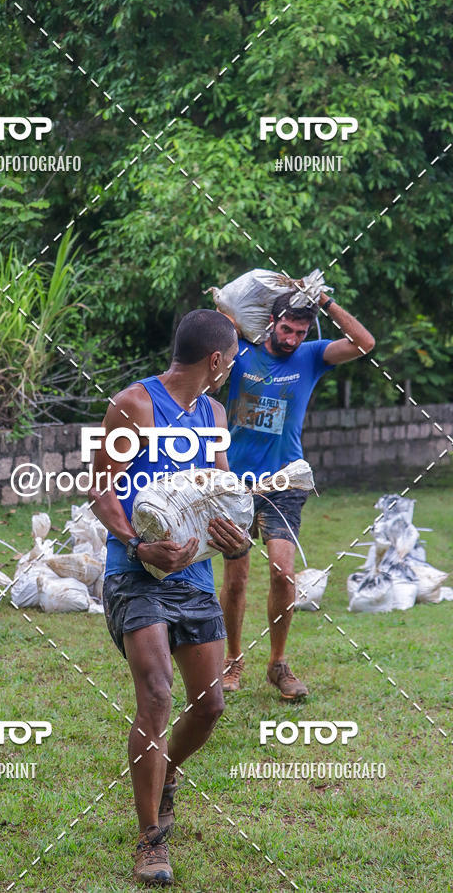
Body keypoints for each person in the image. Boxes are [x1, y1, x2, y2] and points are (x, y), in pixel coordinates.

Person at [89, 310, 249, 887]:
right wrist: (137, 546)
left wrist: (234, 533)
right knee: (157, 695)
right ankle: (150, 841)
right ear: (215, 360)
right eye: (231, 357)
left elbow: (221, 489)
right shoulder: (135, 405)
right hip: (134, 573)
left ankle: (165, 771)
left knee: (208, 707)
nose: (232, 366)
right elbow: (101, 490)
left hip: (192, 578)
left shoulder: (213, 414)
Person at [220, 290, 375, 698]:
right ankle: (233, 660)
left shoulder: (310, 356)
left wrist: (325, 302)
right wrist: (237, 312)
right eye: (286, 328)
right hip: (235, 480)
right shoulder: (241, 352)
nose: (291, 338)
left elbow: (364, 343)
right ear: (271, 322)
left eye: (299, 331)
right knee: (236, 579)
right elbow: (219, 317)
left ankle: (278, 664)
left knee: (282, 572)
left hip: (286, 480)